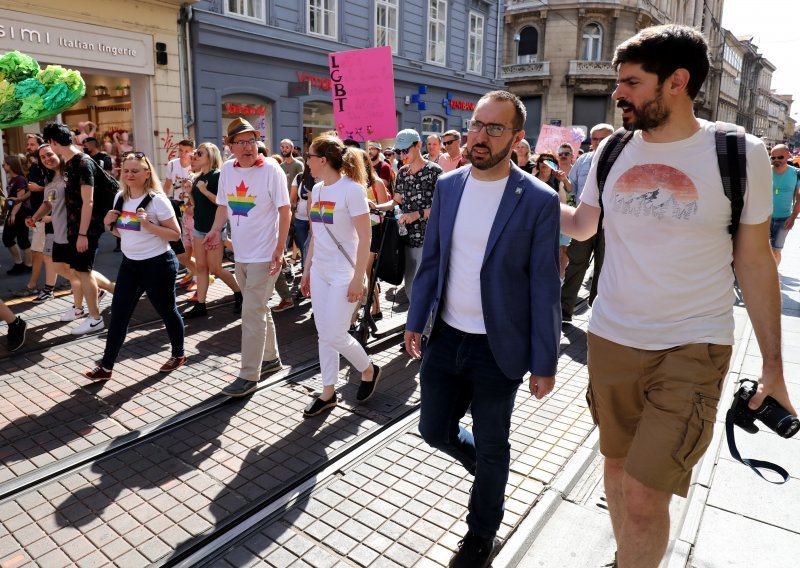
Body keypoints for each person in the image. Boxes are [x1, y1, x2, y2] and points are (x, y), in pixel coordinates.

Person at [559, 25, 797, 568]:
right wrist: (515, 185)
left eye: (631, 83)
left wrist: (774, 368)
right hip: (611, 339)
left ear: (677, 82)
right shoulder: (612, 150)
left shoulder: (740, 152)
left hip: (693, 345)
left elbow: (755, 261)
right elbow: (581, 226)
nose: (618, 93)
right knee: (616, 469)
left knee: (645, 496)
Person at [405, 90, 561, 567]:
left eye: (495, 128)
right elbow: (432, 261)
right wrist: (415, 320)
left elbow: (543, 287)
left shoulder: (538, 199)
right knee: (433, 430)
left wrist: (545, 361)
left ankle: (480, 534)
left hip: (500, 349)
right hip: (446, 336)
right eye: (476, 124)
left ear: (517, 138)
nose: (480, 136)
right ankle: (491, 470)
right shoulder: (448, 187)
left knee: (495, 442)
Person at [204, 117, 291, 397]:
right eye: (241, 141)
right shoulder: (228, 170)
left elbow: (285, 210)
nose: (248, 146)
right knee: (258, 308)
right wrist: (215, 231)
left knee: (250, 311)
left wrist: (280, 249)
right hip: (241, 254)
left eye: (252, 140)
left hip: (266, 255)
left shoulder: (272, 170)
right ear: (229, 146)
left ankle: (248, 375)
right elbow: (223, 206)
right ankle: (270, 359)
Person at [83, 152, 185, 380]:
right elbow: (123, 233)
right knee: (119, 315)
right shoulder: (120, 197)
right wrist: (108, 224)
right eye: (126, 170)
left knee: (167, 310)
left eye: (135, 170)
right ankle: (106, 367)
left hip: (158, 264)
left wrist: (147, 223)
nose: (129, 175)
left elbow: (175, 235)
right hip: (130, 265)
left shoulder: (157, 200)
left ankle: (178, 354)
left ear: (147, 173)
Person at [299, 133, 381, 416]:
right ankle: (328, 391)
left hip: (345, 272)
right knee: (324, 334)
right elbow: (316, 234)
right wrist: (307, 269)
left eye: (309, 156)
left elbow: (365, 237)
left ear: (322, 160)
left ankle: (368, 369)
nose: (305, 161)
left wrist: (359, 277)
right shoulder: (317, 190)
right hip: (321, 271)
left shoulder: (352, 190)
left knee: (335, 333)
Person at [42, 122, 112, 334]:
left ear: (54, 142)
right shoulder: (71, 162)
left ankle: (95, 318)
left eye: (49, 144)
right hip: (77, 227)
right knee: (80, 271)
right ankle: (92, 310)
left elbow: (88, 201)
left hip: (86, 228)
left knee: (83, 271)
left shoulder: (82, 162)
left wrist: (82, 234)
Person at [375, 129, 442, 302]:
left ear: (418, 145)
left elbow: (443, 207)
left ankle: (425, 328)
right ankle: (417, 325)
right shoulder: (403, 173)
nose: (402, 154)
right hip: (405, 239)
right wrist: (376, 206)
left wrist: (417, 214)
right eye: (399, 151)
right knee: (410, 287)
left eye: (405, 150)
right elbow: (395, 201)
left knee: (424, 288)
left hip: (428, 239)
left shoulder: (435, 172)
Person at [183, 143, 243, 319]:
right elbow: (197, 203)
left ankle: (239, 293)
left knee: (216, 268)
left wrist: (204, 190)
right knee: (201, 267)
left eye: (199, 153)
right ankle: (201, 305)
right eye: (195, 153)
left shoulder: (217, 176)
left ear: (210, 156)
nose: (195, 156)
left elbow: (223, 203)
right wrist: (190, 194)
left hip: (214, 229)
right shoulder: (198, 176)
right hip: (199, 227)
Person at [561, 124, 614, 321]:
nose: (598, 143)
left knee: (604, 267)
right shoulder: (582, 160)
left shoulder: (620, 159)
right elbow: (572, 189)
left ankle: (596, 311)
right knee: (576, 263)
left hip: (609, 224)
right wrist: (564, 182)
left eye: (603, 139)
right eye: (595, 139)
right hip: (584, 219)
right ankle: (565, 308)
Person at [535, 153, 572, 281]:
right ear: (538, 163)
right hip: (537, 221)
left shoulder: (558, 181)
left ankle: (558, 276)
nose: (544, 164)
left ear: (553, 166)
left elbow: (568, 193)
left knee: (560, 249)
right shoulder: (532, 179)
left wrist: (563, 180)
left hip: (555, 220)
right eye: (542, 161)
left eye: (549, 162)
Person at [767, 144, 800, 266]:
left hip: (784, 219)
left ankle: (773, 274)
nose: (776, 160)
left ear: (788, 156)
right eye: (773, 157)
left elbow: (799, 198)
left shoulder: (796, 174)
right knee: (763, 249)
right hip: (765, 217)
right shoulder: (765, 171)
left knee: (776, 250)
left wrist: (792, 217)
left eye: (780, 157)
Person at [3, 154, 32, 275]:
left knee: (22, 240)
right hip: (14, 212)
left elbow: (19, 200)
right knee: (8, 238)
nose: (3, 166)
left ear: (11, 165)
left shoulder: (20, 179)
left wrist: (13, 214)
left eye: (4, 164)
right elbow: (13, 199)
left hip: (21, 213)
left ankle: (28, 265)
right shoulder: (12, 179)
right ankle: (19, 263)